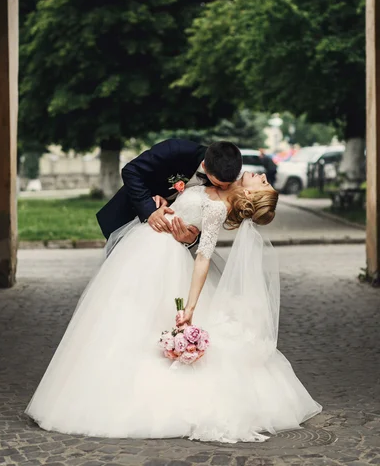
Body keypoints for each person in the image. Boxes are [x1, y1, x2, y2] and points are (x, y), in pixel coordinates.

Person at [25, 161, 322, 443]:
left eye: (264, 182)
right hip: (145, 245)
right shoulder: (218, 180)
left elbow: (203, 258)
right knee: (117, 318)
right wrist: (163, 201)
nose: (262, 176)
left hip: (161, 258)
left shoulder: (219, 207)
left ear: (248, 194)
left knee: (138, 320)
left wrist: (191, 308)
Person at [96, 139, 242, 248]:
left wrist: (192, 239)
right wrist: (150, 211)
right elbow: (131, 171)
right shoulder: (176, 150)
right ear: (204, 165)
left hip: (173, 240)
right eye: (217, 183)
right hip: (131, 214)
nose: (222, 188)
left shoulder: (226, 175)